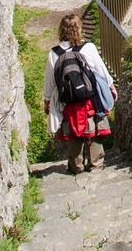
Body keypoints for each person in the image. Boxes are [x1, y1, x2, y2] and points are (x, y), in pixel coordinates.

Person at [42, 13, 116, 174]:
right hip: (89, 98)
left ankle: (76, 166)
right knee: (93, 128)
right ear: (79, 29)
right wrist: (111, 86)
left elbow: (50, 82)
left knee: (74, 132)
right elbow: (101, 71)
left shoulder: (53, 54)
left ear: (61, 30)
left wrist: (47, 101)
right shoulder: (88, 48)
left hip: (68, 101)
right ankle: (95, 163)